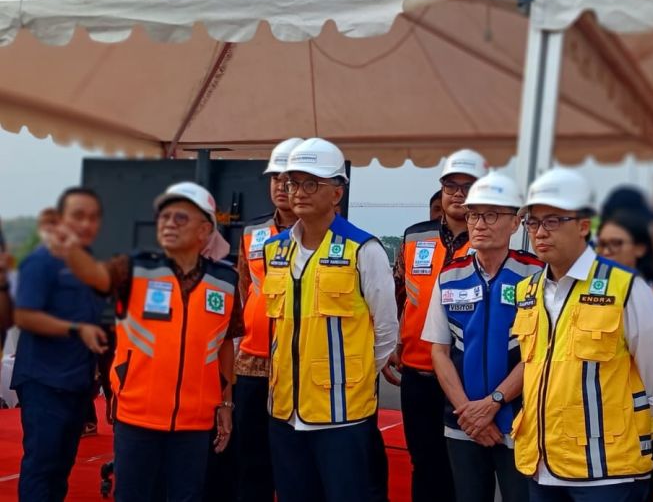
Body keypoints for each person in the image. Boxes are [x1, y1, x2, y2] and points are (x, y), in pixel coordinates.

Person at [51, 182, 242, 502]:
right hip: (137, 414)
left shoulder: (225, 281)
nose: (168, 223)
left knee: (186, 496)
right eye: (163, 217)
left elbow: (225, 343)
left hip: (195, 421)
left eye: (180, 218)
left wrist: (226, 403)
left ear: (205, 229)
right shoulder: (132, 269)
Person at [512, 167, 653, 501]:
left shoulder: (625, 287)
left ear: (584, 225)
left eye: (553, 220)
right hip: (542, 462)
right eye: (533, 222)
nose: (540, 232)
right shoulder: (528, 291)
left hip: (607, 470)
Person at [263, 138, 398, 502]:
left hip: (343, 417)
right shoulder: (275, 250)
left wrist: (354, 378)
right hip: (284, 409)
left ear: (336, 193)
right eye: (293, 183)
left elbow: (386, 328)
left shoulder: (362, 249)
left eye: (311, 183)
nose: (298, 192)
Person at [421, 172, 544, 502]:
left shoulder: (537, 276)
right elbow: (439, 352)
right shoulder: (449, 276)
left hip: (520, 422)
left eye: (492, 215)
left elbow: (538, 352)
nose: (479, 224)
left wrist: (493, 404)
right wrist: (469, 414)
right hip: (462, 425)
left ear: (516, 222)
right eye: (474, 214)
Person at [387, 148, 488, 502]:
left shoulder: (489, 242)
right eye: (451, 186)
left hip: (468, 380)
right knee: (424, 464)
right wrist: (390, 347)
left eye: (468, 186)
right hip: (418, 372)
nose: (458, 193)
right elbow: (398, 293)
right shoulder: (415, 237)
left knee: (467, 469)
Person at [11, 187, 108, 502]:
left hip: (76, 383)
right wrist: (76, 329)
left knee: (62, 467)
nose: (86, 224)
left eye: (93, 217)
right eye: (78, 215)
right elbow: (24, 316)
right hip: (44, 382)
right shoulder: (41, 261)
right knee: (42, 466)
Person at [234, 137, 302, 501]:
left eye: (289, 179)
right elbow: (245, 287)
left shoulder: (323, 234)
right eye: (275, 178)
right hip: (252, 360)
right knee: (251, 456)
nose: (280, 186)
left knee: (293, 456)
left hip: (299, 362)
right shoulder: (252, 232)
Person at [597, 210, 653, 502]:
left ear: (641, 249)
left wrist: (647, 408)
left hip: (636, 419)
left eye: (616, 244)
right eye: (602, 244)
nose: (606, 251)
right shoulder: (590, 291)